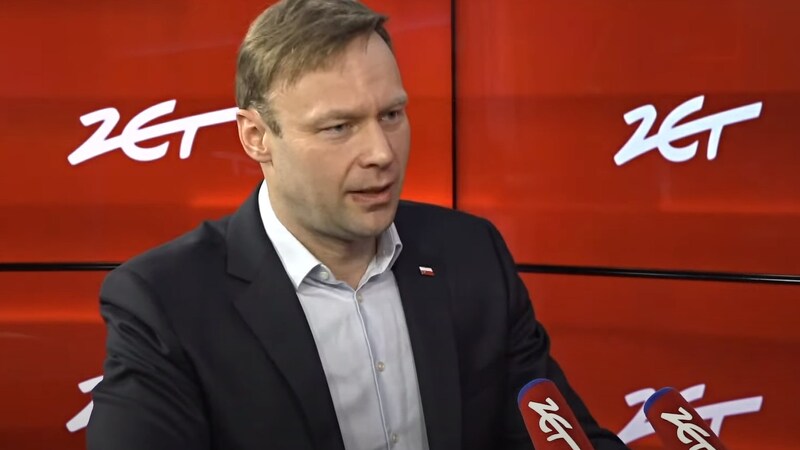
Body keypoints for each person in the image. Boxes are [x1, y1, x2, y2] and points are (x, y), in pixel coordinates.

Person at [87, 1, 629, 449]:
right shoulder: (164, 302)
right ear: (256, 138)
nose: (381, 153)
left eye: (391, 115)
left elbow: (554, 435)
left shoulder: (471, 255)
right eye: (339, 127)